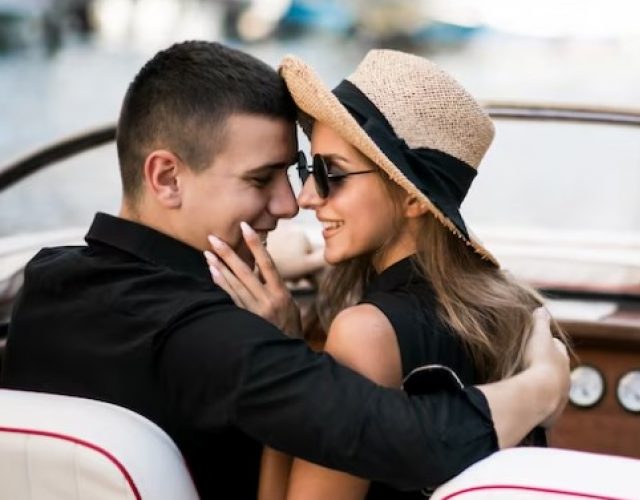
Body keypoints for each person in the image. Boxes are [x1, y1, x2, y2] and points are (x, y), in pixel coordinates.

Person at [0, 41, 569, 499]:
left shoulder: (39, 285)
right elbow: (409, 440)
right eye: (260, 179)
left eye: (305, 172)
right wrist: (541, 387)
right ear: (167, 178)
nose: (290, 203)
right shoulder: (216, 339)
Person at [204, 50, 568, 499]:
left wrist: (282, 359)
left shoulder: (366, 334)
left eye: (330, 174)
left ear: (413, 198)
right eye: (307, 170)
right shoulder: (508, 312)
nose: (306, 198)